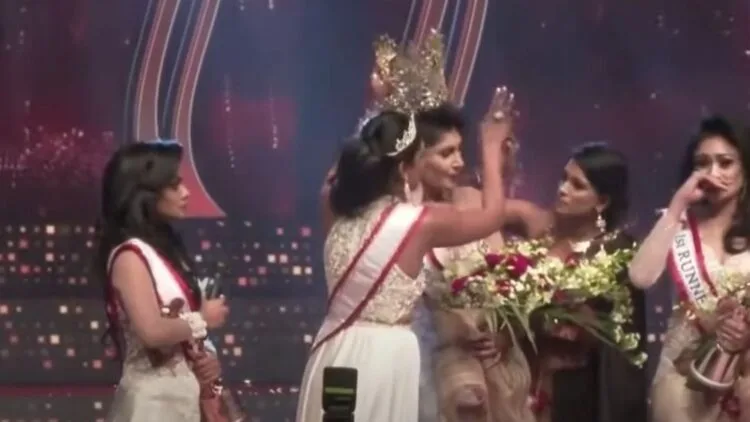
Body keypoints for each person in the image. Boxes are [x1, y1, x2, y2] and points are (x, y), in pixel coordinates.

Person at [295, 87, 513, 422]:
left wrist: (381, 117)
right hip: (381, 360)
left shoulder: (335, 207)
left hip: (332, 350)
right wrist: (492, 146)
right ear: (403, 170)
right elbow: (493, 217)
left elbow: (337, 175)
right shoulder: (420, 222)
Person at [498, 143, 648, 422]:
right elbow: (486, 213)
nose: (563, 189)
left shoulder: (616, 252)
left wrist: (575, 324)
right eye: (564, 178)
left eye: (577, 185)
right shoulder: (541, 230)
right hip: (523, 376)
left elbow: (619, 337)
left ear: (602, 202)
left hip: (577, 392)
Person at [411, 102, 534, 422]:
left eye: (460, 150)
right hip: (427, 364)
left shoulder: (474, 201)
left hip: (491, 364)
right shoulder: (403, 218)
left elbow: (510, 279)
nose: (459, 162)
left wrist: (504, 334)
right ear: (416, 158)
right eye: (446, 153)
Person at [96, 140, 229, 422]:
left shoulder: (163, 251)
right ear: (145, 193)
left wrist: (207, 360)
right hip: (153, 406)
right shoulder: (129, 256)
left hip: (184, 401)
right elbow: (152, 331)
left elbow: (180, 331)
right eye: (174, 185)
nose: (186, 193)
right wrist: (203, 318)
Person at [628, 116, 750, 421]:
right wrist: (678, 205)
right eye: (702, 164)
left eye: (725, 163)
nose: (713, 173)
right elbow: (640, 278)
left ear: (745, 168)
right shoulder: (679, 225)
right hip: (682, 378)